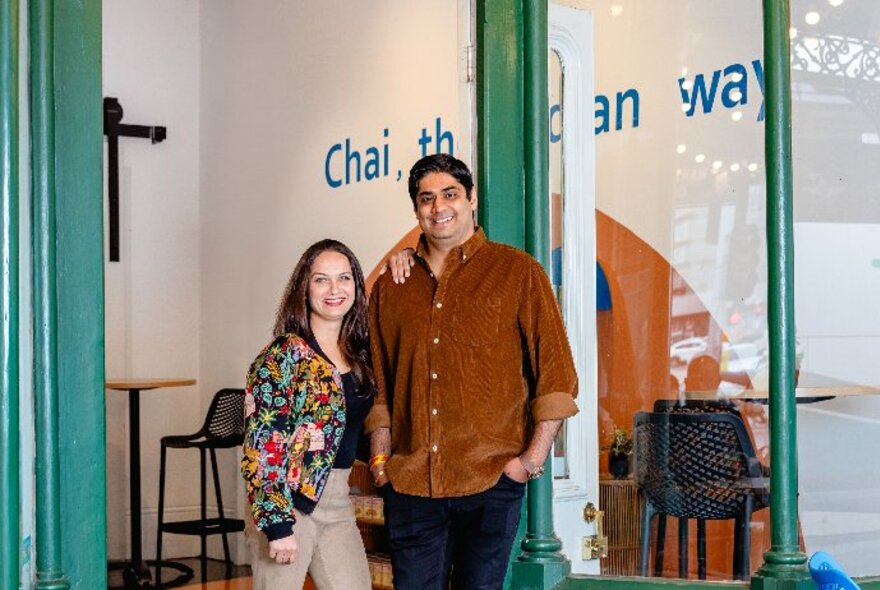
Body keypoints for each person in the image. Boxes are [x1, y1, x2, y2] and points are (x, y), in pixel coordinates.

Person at [365, 153, 579, 589]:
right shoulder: (392, 285)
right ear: (416, 209)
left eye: (450, 194)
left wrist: (529, 462)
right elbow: (379, 386)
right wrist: (381, 463)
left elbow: (557, 376)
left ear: (472, 199)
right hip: (411, 483)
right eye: (426, 199)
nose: (439, 207)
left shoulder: (518, 272)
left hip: (490, 480)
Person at [241, 239, 380, 589]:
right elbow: (263, 445)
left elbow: (349, 432)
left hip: (337, 500)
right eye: (321, 279)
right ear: (304, 288)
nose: (335, 289)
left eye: (344, 278)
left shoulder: (359, 355)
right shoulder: (283, 355)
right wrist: (277, 525)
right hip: (288, 503)